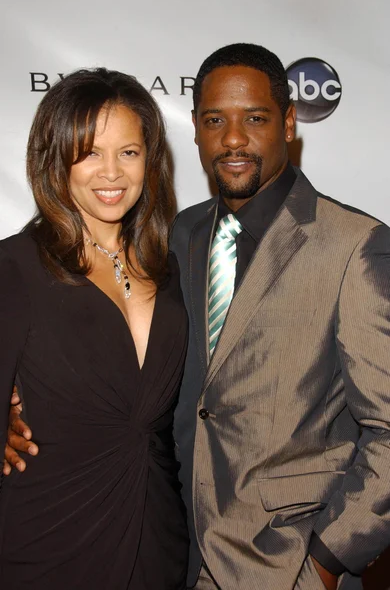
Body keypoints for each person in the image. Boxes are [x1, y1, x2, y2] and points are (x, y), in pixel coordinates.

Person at [5, 44, 390, 590]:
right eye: (215, 120)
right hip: (169, 550)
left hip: (287, 565)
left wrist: (328, 560)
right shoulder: (175, 238)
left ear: (287, 123)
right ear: (194, 130)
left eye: (254, 118)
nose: (233, 139)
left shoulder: (355, 247)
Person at [0, 68, 189, 589]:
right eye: (89, 152)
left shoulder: (172, 271)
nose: (111, 173)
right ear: (54, 158)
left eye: (128, 152)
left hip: (159, 543)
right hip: (47, 543)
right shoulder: (14, 269)